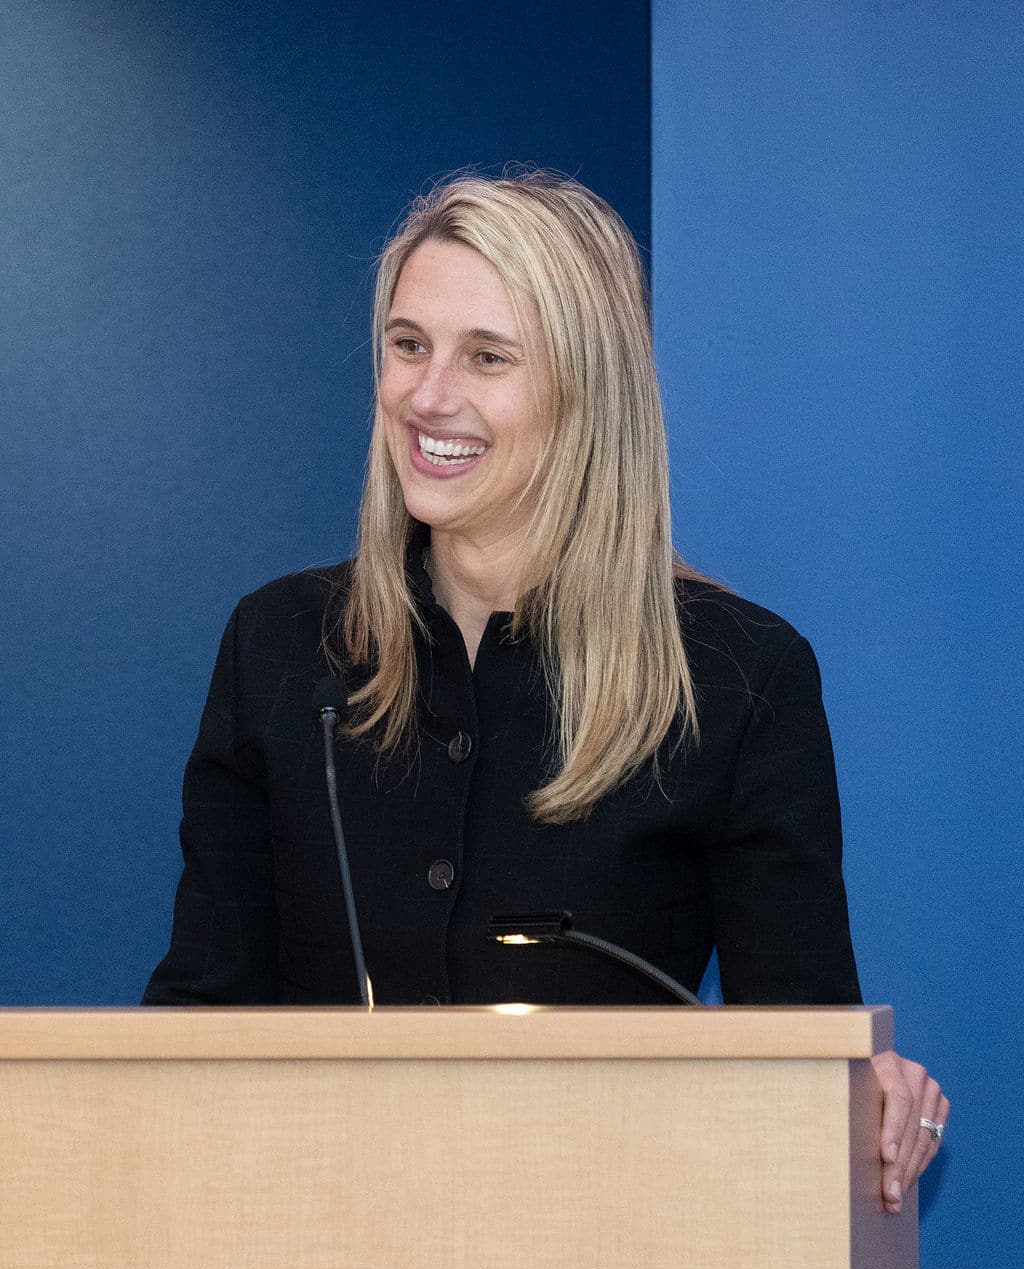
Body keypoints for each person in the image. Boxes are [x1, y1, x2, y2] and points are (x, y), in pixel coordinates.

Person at [142, 170, 949, 1213]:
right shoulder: (283, 645)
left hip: (609, 1253)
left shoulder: (736, 677)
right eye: (408, 345)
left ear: (586, 391)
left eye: (487, 357)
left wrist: (867, 1097)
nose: (429, 395)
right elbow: (197, 1022)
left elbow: (800, 1057)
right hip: (309, 1246)